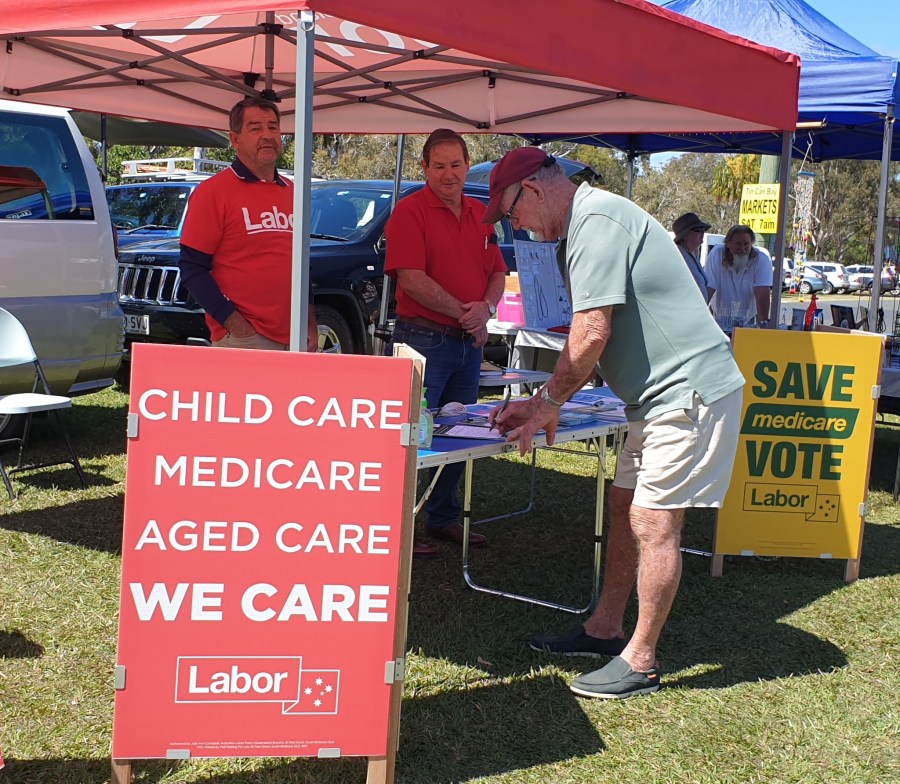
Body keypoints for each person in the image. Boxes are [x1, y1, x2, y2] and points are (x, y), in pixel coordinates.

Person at [484, 147, 744, 699]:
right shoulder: (585, 226)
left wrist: (547, 401)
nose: (517, 227)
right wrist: (540, 401)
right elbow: (592, 334)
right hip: (654, 401)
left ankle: (643, 660)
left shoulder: (596, 220)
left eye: (511, 214)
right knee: (624, 506)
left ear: (531, 190)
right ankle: (604, 629)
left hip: (688, 392)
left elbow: (592, 330)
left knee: (654, 522)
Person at [385, 128, 507, 556]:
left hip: (467, 343)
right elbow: (411, 279)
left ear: (467, 164)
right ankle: (398, 525)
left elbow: (497, 272)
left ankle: (442, 518)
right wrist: (468, 313)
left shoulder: (481, 214)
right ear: (425, 168)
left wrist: (485, 311)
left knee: (461, 434)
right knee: (412, 436)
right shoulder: (409, 211)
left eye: (455, 164)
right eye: (438, 166)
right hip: (423, 339)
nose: (448, 174)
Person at [179, 96, 317, 352]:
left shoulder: (294, 193)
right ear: (235, 139)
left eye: (273, 127)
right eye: (255, 128)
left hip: (295, 338)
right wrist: (236, 325)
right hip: (245, 339)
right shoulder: (213, 192)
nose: (267, 135)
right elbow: (192, 269)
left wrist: (309, 323)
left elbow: (302, 268)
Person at [703, 224, 773, 329]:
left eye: (746, 244)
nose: (742, 249)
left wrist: (762, 324)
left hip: (748, 320)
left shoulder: (761, 259)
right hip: (720, 319)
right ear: (728, 244)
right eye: (738, 244)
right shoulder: (717, 254)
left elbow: (762, 292)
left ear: (752, 244)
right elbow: (709, 288)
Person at [672, 212, 712, 303]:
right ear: (685, 235)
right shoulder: (678, 256)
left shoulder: (694, 253)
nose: (702, 232)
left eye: (703, 229)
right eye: (698, 229)